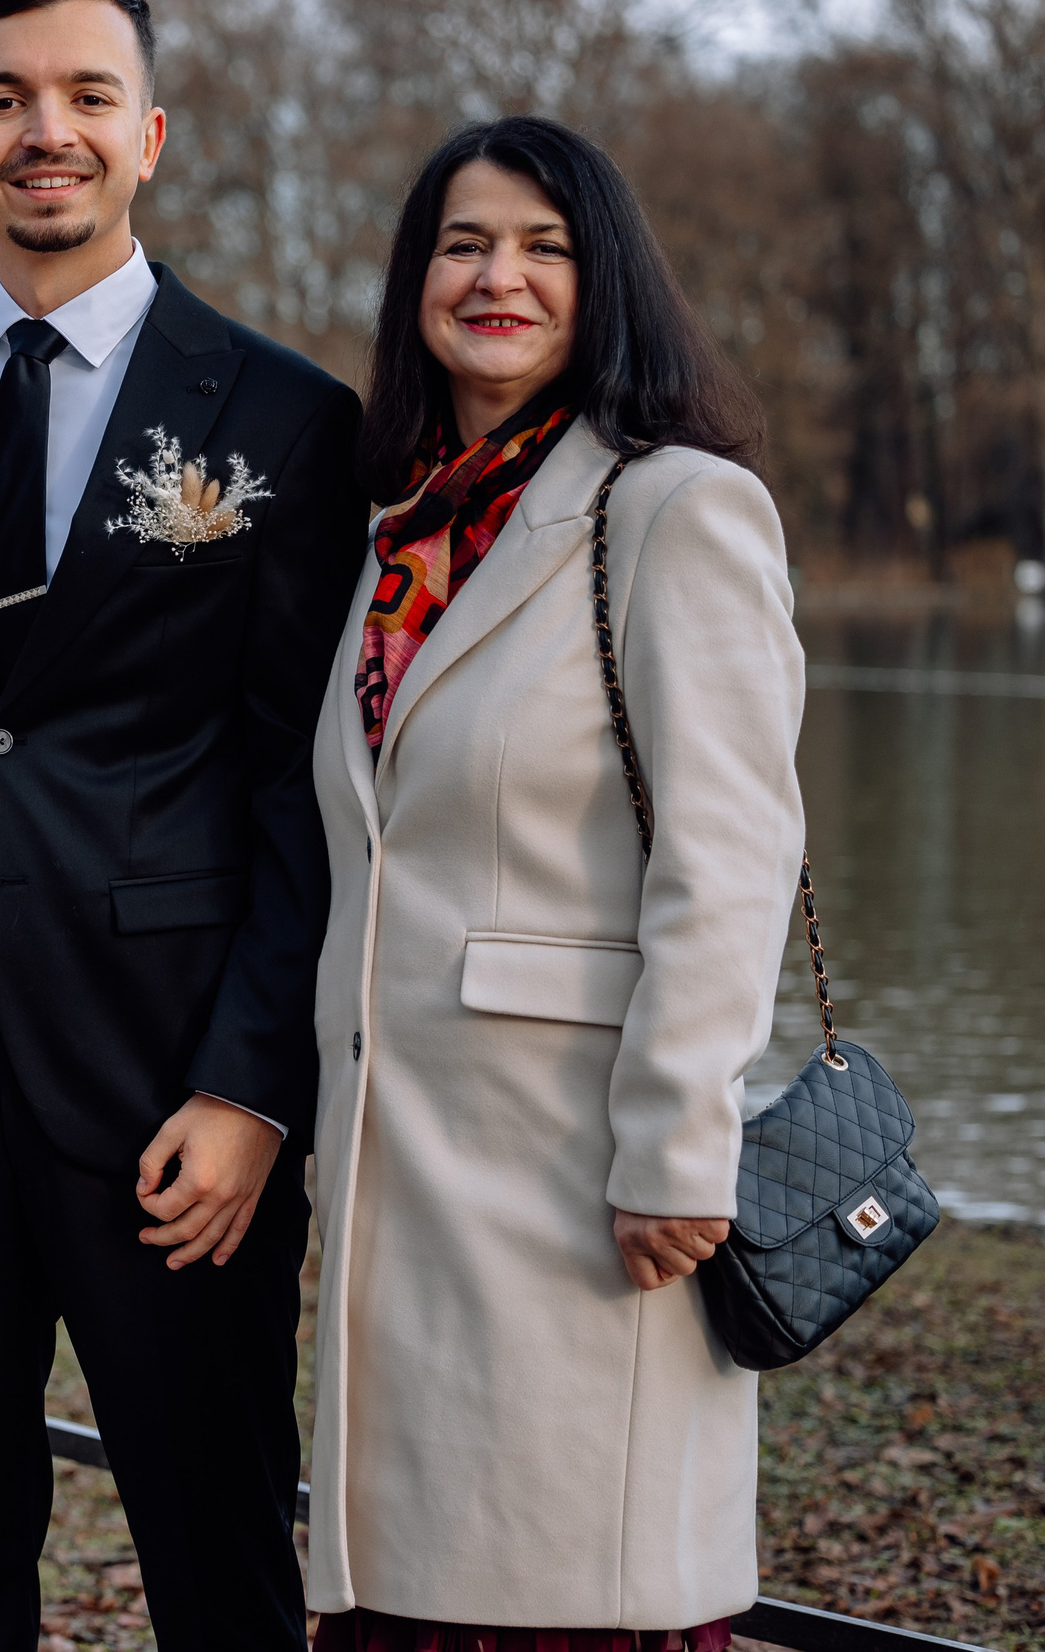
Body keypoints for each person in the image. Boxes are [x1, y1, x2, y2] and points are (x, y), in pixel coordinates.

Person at [0, 0, 365, 1647]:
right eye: (2, 101)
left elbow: (307, 785)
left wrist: (252, 1087)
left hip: (167, 1098)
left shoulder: (284, 415)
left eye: (77, 98)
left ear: (150, 134)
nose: (39, 131)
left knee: (215, 1549)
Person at [304, 115, 800, 1651]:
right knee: (407, 1584)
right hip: (398, 1149)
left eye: (544, 247)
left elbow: (732, 857)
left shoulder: (672, 508)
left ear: (608, 284)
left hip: (584, 1170)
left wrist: (677, 1144)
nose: (497, 276)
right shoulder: (396, 531)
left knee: (570, 1579)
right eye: (463, 243)